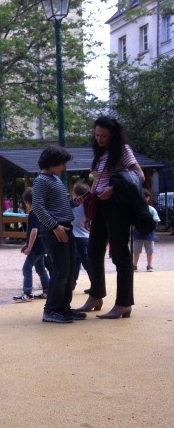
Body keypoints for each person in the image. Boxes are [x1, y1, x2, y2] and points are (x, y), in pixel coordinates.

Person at [76, 116, 146, 319]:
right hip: (100, 207)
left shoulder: (123, 150)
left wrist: (113, 188)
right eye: (97, 135)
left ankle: (124, 303)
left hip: (118, 208)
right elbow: (98, 178)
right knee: (93, 251)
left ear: (113, 135)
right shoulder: (101, 152)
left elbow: (138, 176)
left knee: (119, 254)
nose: (99, 139)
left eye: (104, 136)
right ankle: (96, 296)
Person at [31, 146, 85, 324]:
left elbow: (56, 205)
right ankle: (51, 310)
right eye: (62, 163)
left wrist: (73, 203)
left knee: (69, 270)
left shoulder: (54, 178)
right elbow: (37, 207)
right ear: (52, 162)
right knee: (61, 270)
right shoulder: (41, 180)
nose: (64, 167)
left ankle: (63, 307)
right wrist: (55, 226)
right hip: (55, 229)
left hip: (65, 227)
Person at [12, 188, 50, 303]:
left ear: (26, 202)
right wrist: (26, 244)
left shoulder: (33, 214)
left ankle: (27, 292)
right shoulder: (41, 212)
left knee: (26, 268)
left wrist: (29, 247)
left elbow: (34, 231)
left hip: (36, 247)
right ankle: (47, 290)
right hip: (42, 246)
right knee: (41, 269)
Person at [71, 181, 92, 291]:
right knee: (84, 262)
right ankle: (94, 284)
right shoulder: (89, 207)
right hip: (87, 237)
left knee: (79, 263)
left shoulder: (75, 207)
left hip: (77, 237)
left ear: (76, 194)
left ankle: (72, 283)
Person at [132, 189, 160, 272]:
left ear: (147, 198)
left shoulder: (151, 209)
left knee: (150, 251)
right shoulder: (136, 209)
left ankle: (149, 265)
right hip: (139, 233)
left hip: (148, 233)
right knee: (136, 251)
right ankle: (134, 265)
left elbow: (156, 220)